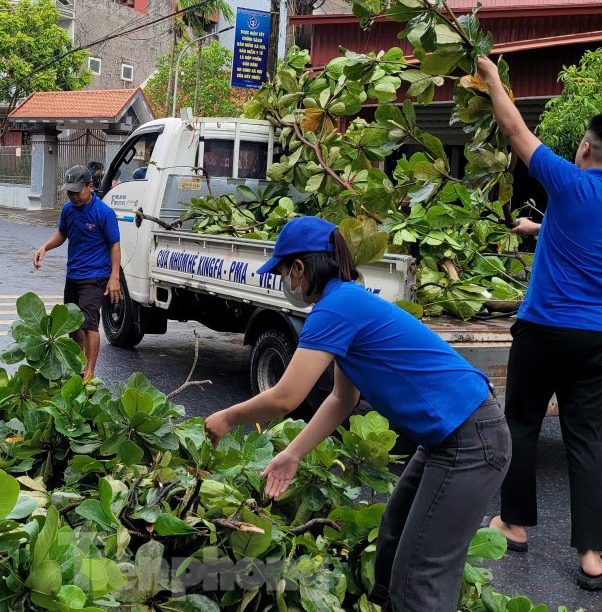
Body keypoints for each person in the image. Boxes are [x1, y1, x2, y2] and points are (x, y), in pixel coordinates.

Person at [203, 216, 509, 612]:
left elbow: (285, 397)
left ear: (299, 269)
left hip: (471, 440)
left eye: (281, 271)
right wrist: (292, 454)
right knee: (393, 537)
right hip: (449, 437)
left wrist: (227, 418)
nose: (282, 282)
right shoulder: (347, 302)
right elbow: (340, 400)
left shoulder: (335, 308)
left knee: (421, 573)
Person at [476, 56, 602, 592]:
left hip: (544, 329)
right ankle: (592, 556)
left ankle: (514, 525)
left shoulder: (567, 180)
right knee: (585, 439)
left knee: (522, 422)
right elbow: (579, 235)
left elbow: (514, 128)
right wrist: (537, 225)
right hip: (597, 339)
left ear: (585, 148)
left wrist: (495, 80)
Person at [32, 164, 121, 381]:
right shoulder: (68, 209)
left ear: (90, 187)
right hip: (73, 274)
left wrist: (114, 278)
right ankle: (79, 364)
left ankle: (90, 371)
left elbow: (115, 245)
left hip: (95, 275)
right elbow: (62, 233)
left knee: (89, 323)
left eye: (77, 191)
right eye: (69, 192)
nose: (73, 196)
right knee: (73, 324)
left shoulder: (103, 212)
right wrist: (45, 247)